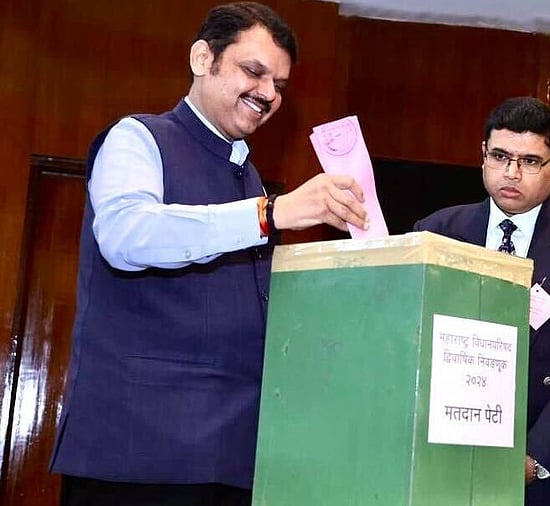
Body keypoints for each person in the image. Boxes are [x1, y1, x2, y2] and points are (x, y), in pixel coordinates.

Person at [49, 3, 368, 505]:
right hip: (139, 455)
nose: (267, 93)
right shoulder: (137, 137)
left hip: (233, 456)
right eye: (253, 71)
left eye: (279, 85)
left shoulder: (249, 175)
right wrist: (269, 214)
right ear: (203, 58)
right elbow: (127, 236)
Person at [414, 96, 550, 506]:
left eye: (530, 161)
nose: (511, 173)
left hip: (541, 464)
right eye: (500, 156)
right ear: (483, 156)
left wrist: (535, 455)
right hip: (440, 455)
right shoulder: (437, 231)